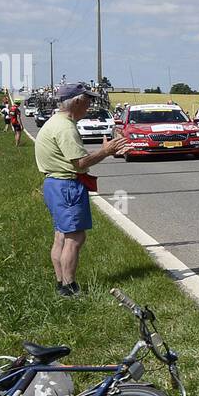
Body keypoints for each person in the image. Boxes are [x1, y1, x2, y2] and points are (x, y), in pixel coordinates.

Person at [34, 82, 130, 296]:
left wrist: (106, 151)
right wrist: (106, 151)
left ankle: (61, 284)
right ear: (77, 101)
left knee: (61, 234)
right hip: (67, 185)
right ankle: (69, 287)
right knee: (75, 237)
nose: (90, 105)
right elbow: (80, 163)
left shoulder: (55, 122)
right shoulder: (65, 127)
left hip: (54, 183)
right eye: (88, 101)